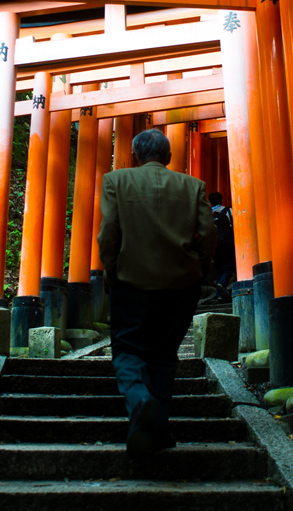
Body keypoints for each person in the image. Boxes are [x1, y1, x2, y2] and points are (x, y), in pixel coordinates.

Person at [97, 127, 217, 456]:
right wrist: (200, 268)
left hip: (131, 281)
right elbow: (207, 233)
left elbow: (109, 232)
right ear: (168, 157)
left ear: (136, 155)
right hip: (181, 284)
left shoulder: (116, 181)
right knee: (164, 356)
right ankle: (159, 429)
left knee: (128, 350)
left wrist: (111, 269)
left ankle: (140, 400)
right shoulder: (193, 186)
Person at [209, 191, 236, 290]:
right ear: (222, 200)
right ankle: (222, 283)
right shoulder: (229, 211)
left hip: (215, 245)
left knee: (219, 269)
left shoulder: (208, 214)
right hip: (227, 243)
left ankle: (219, 294)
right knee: (229, 267)